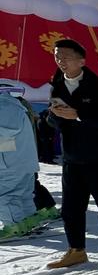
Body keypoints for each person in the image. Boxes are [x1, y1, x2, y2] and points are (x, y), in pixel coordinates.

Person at [45, 39, 98, 271]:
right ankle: (76, 250)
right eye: (57, 56)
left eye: (65, 56)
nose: (60, 61)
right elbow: (54, 122)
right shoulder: (57, 86)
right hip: (72, 159)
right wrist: (54, 116)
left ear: (81, 60)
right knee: (71, 209)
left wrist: (80, 115)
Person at [0, 86, 39, 238]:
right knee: (22, 195)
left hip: (11, 164)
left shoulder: (4, 106)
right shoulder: (11, 105)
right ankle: (27, 221)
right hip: (18, 161)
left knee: (5, 195)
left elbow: (8, 130)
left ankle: (14, 226)